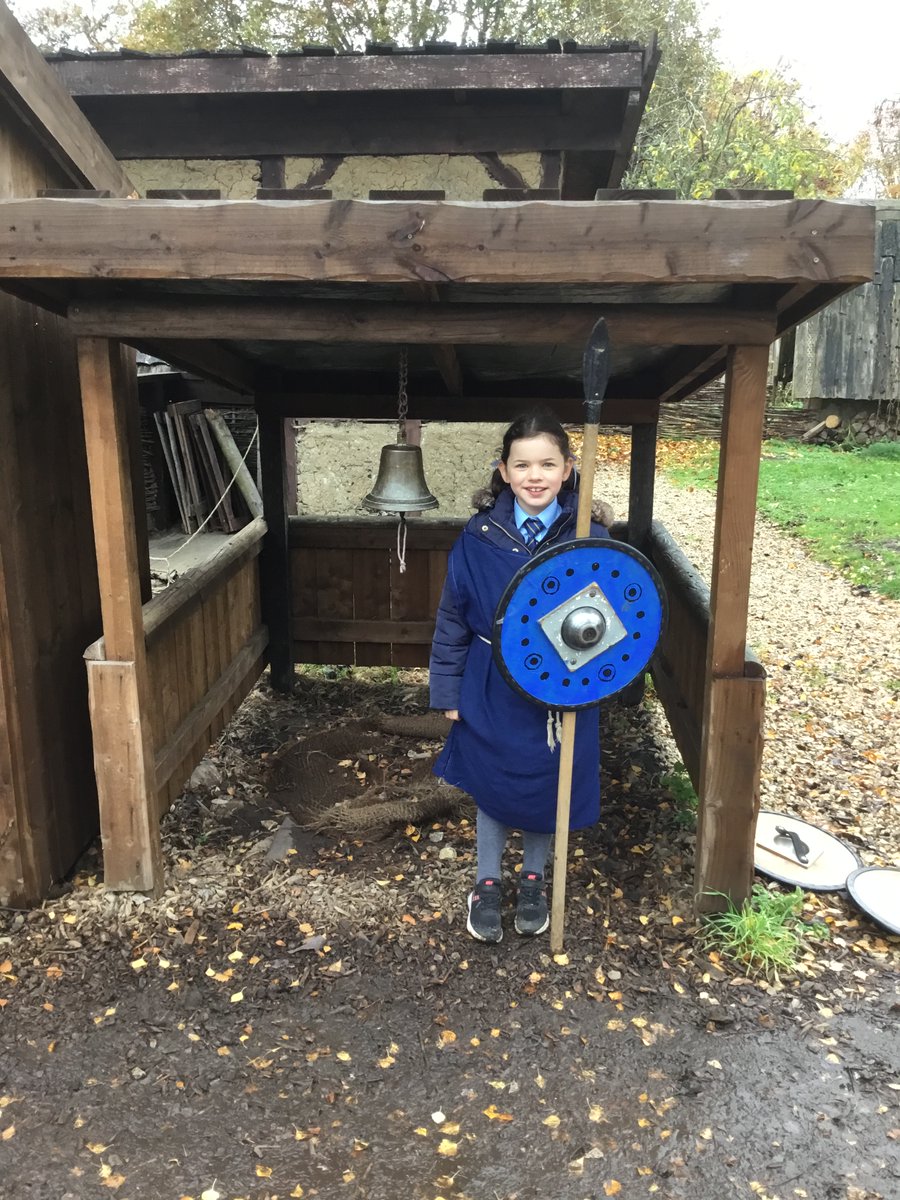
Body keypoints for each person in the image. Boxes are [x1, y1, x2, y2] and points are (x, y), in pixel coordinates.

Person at [429, 409, 613, 943]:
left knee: (546, 782)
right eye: (523, 464)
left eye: (547, 464)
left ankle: (533, 879)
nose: (535, 476)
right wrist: (448, 689)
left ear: (568, 469)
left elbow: (617, 624)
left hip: (563, 686)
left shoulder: (588, 533)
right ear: (504, 471)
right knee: (494, 782)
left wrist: (605, 684)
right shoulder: (479, 536)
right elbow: (453, 616)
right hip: (491, 681)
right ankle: (487, 881)